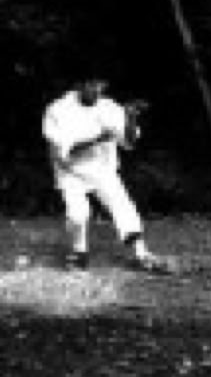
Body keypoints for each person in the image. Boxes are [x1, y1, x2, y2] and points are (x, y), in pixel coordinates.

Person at [42, 74, 168, 271]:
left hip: (102, 168)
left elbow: (129, 143)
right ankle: (79, 254)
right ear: (79, 84)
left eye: (101, 84)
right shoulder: (57, 109)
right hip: (70, 170)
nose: (98, 89)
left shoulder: (109, 106)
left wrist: (130, 117)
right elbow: (63, 151)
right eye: (92, 84)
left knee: (123, 206)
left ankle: (142, 255)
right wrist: (98, 138)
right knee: (78, 214)